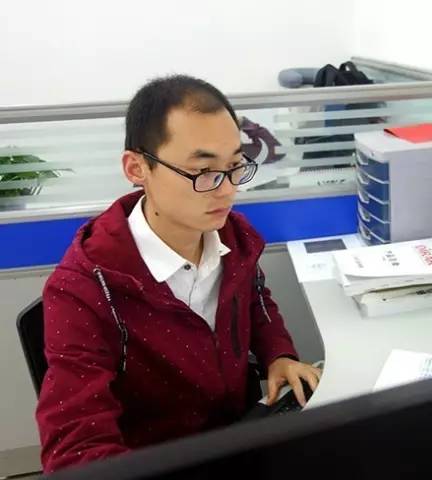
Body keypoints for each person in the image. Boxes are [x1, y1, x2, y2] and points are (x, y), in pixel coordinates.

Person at [35, 75, 322, 473]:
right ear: (137, 167)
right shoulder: (84, 289)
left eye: (234, 166)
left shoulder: (232, 237)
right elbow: (74, 450)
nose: (227, 190)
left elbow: (256, 301)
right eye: (203, 171)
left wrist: (279, 354)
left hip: (241, 440)